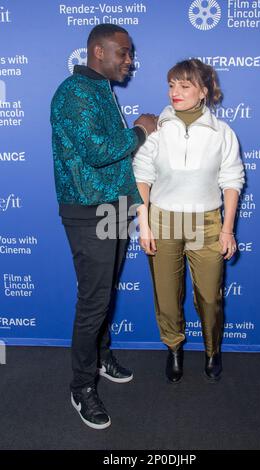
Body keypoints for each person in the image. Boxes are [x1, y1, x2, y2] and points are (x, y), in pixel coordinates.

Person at [50, 24, 156, 429]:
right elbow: (97, 153)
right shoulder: (75, 93)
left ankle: (101, 356)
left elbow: (111, 158)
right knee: (93, 300)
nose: (130, 62)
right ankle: (82, 387)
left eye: (129, 54)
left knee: (105, 291)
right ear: (99, 51)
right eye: (124, 53)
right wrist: (142, 129)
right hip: (87, 211)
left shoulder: (100, 90)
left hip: (113, 206)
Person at [133, 59, 245, 384]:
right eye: (171, 85)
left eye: (184, 86)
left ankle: (213, 350)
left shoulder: (222, 133)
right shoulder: (157, 128)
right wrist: (144, 223)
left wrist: (227, 230)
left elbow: (232, 180)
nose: (175, 93)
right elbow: (141, 175)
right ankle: (174, 350)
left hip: (207, 222)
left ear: (203, 91)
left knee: (209, 297)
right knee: (167, 296)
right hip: (162, 219)